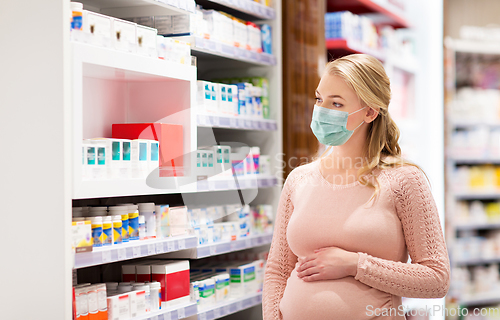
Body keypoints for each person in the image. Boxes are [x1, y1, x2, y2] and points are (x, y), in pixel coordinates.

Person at [262, 54, 450, 320]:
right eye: (319, 99)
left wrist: (355, 264)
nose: (322, 110)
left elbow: (436, 279)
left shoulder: (404, 180)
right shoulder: (299, 179)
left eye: (336, 103)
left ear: (370, 112)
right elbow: (278, 270)